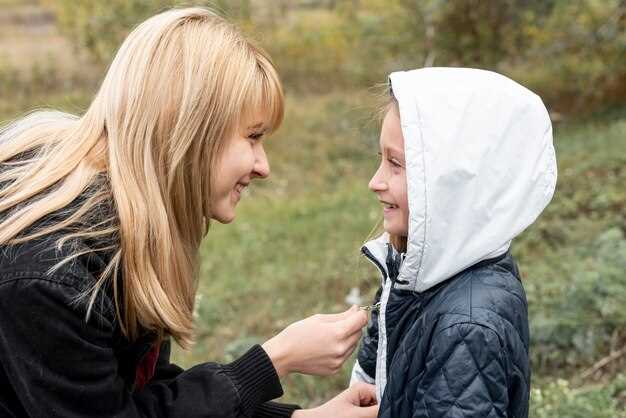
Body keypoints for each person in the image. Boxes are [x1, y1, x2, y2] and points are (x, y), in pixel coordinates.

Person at [0, 7, 379, 418]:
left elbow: (140, 394)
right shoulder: (54, 271)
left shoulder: (135, 216)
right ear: (191, 131)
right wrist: (271, 361)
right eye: (252, 137)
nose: (263, 166)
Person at [350, 67, 558, 417]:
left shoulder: (467, 328)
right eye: (380, 160)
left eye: (396, 164)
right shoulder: (415, 272)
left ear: (453, 183)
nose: (376, 181)